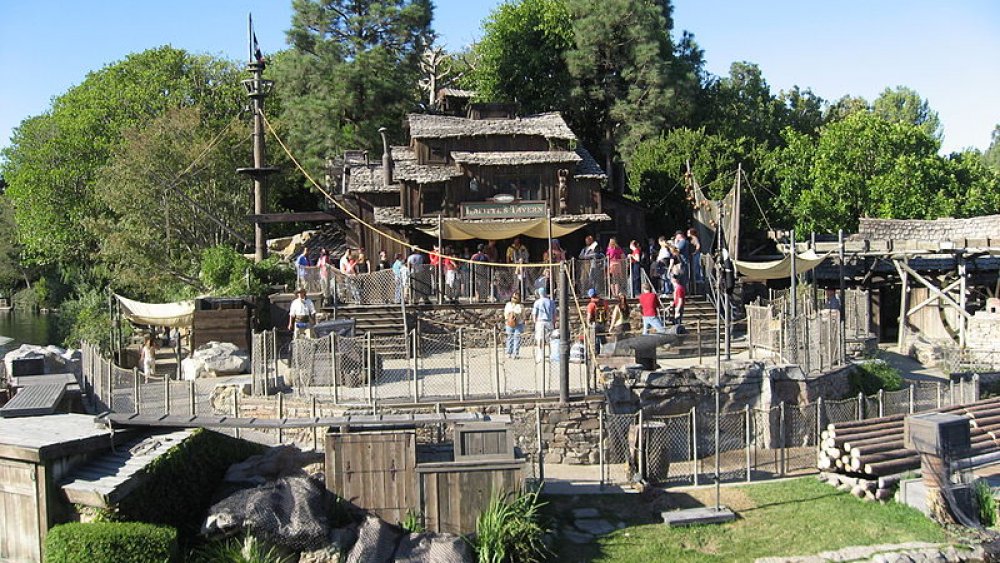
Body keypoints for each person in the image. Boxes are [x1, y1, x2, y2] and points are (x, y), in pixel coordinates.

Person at [531, 287, 556, 362]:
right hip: (549, 321)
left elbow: (534, 314)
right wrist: (554, 322)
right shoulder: (551, 302)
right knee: (550, 339)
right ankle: (552, 354)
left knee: (540, 338)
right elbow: (554, 314)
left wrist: (535, 322)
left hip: (540, 321)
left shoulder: (537, 302)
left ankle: (540, 355)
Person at [586, 288, 609, 354]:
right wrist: (606, 322)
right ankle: (606, 352)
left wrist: (588, 323)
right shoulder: (604, 302)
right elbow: (607, 313)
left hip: (595, 324)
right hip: (603, 323)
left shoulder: (591, 304)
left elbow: (589, 316)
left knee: (596, 339)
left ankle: (597, 353)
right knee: (603, 338)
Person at [503, 292, 525, 358]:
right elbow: (505, 313)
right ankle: (509, 352)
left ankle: (516, 353)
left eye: (516, 297)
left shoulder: (521, 306)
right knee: (509, 337)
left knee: (517, 338)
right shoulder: (508, 304)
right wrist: (509, 316)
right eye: (513, 297)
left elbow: (522, 314)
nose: (514, 298)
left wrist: (515, 314)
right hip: (509, 323)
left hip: (519, 323)